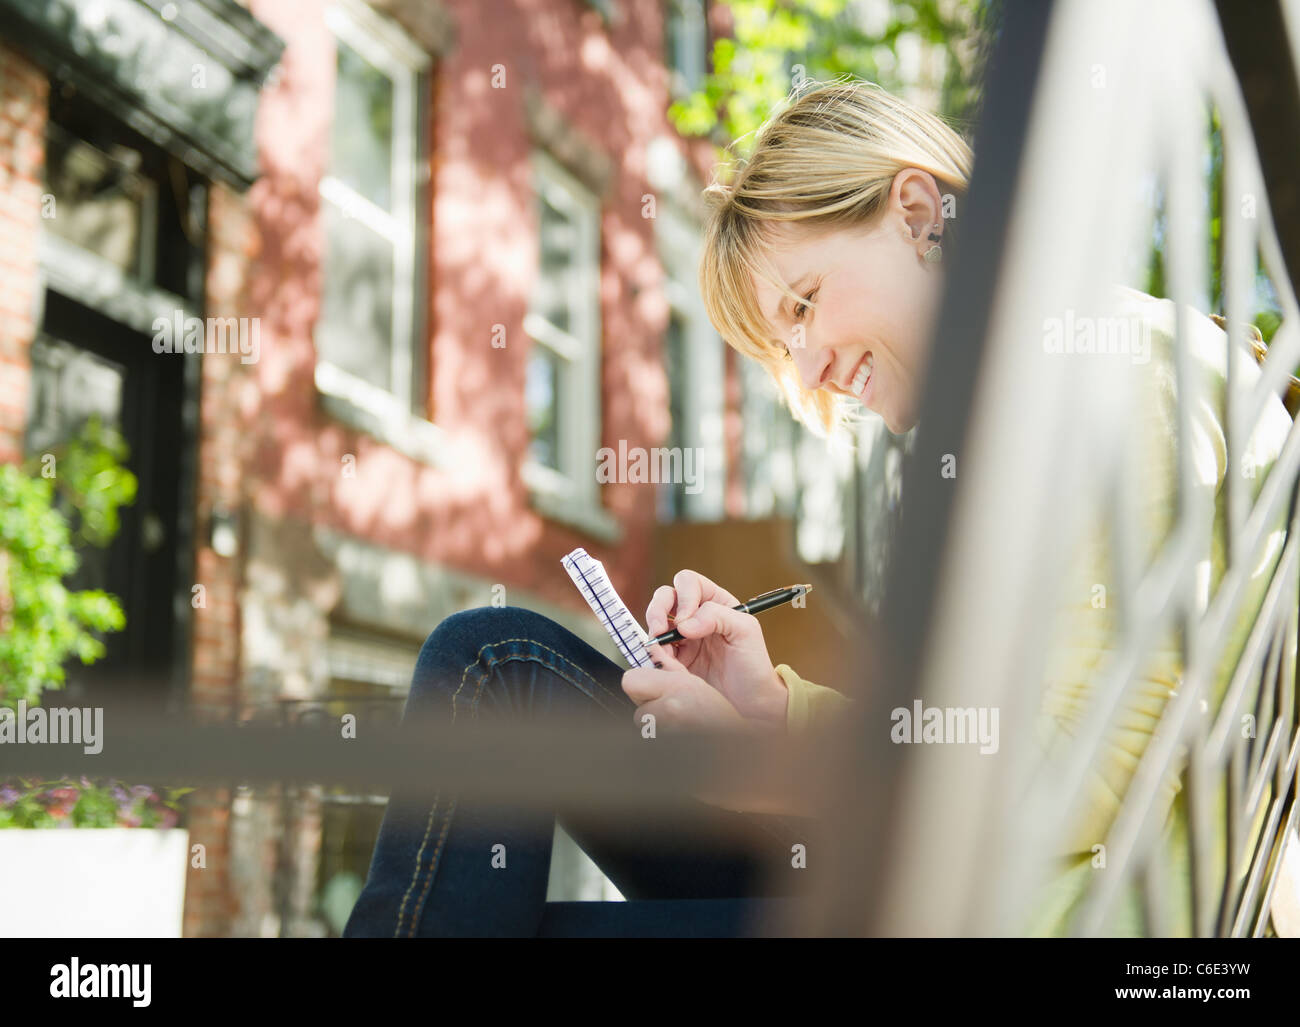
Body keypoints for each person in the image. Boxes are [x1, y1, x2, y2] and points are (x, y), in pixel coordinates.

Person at [345, 76, 1292, 937]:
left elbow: (1068, 781)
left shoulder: (1116, 382)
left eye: (801, 306)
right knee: (495, 661)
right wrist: (768, 710)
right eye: (780, 343)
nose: (806, 372)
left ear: (917, 213)